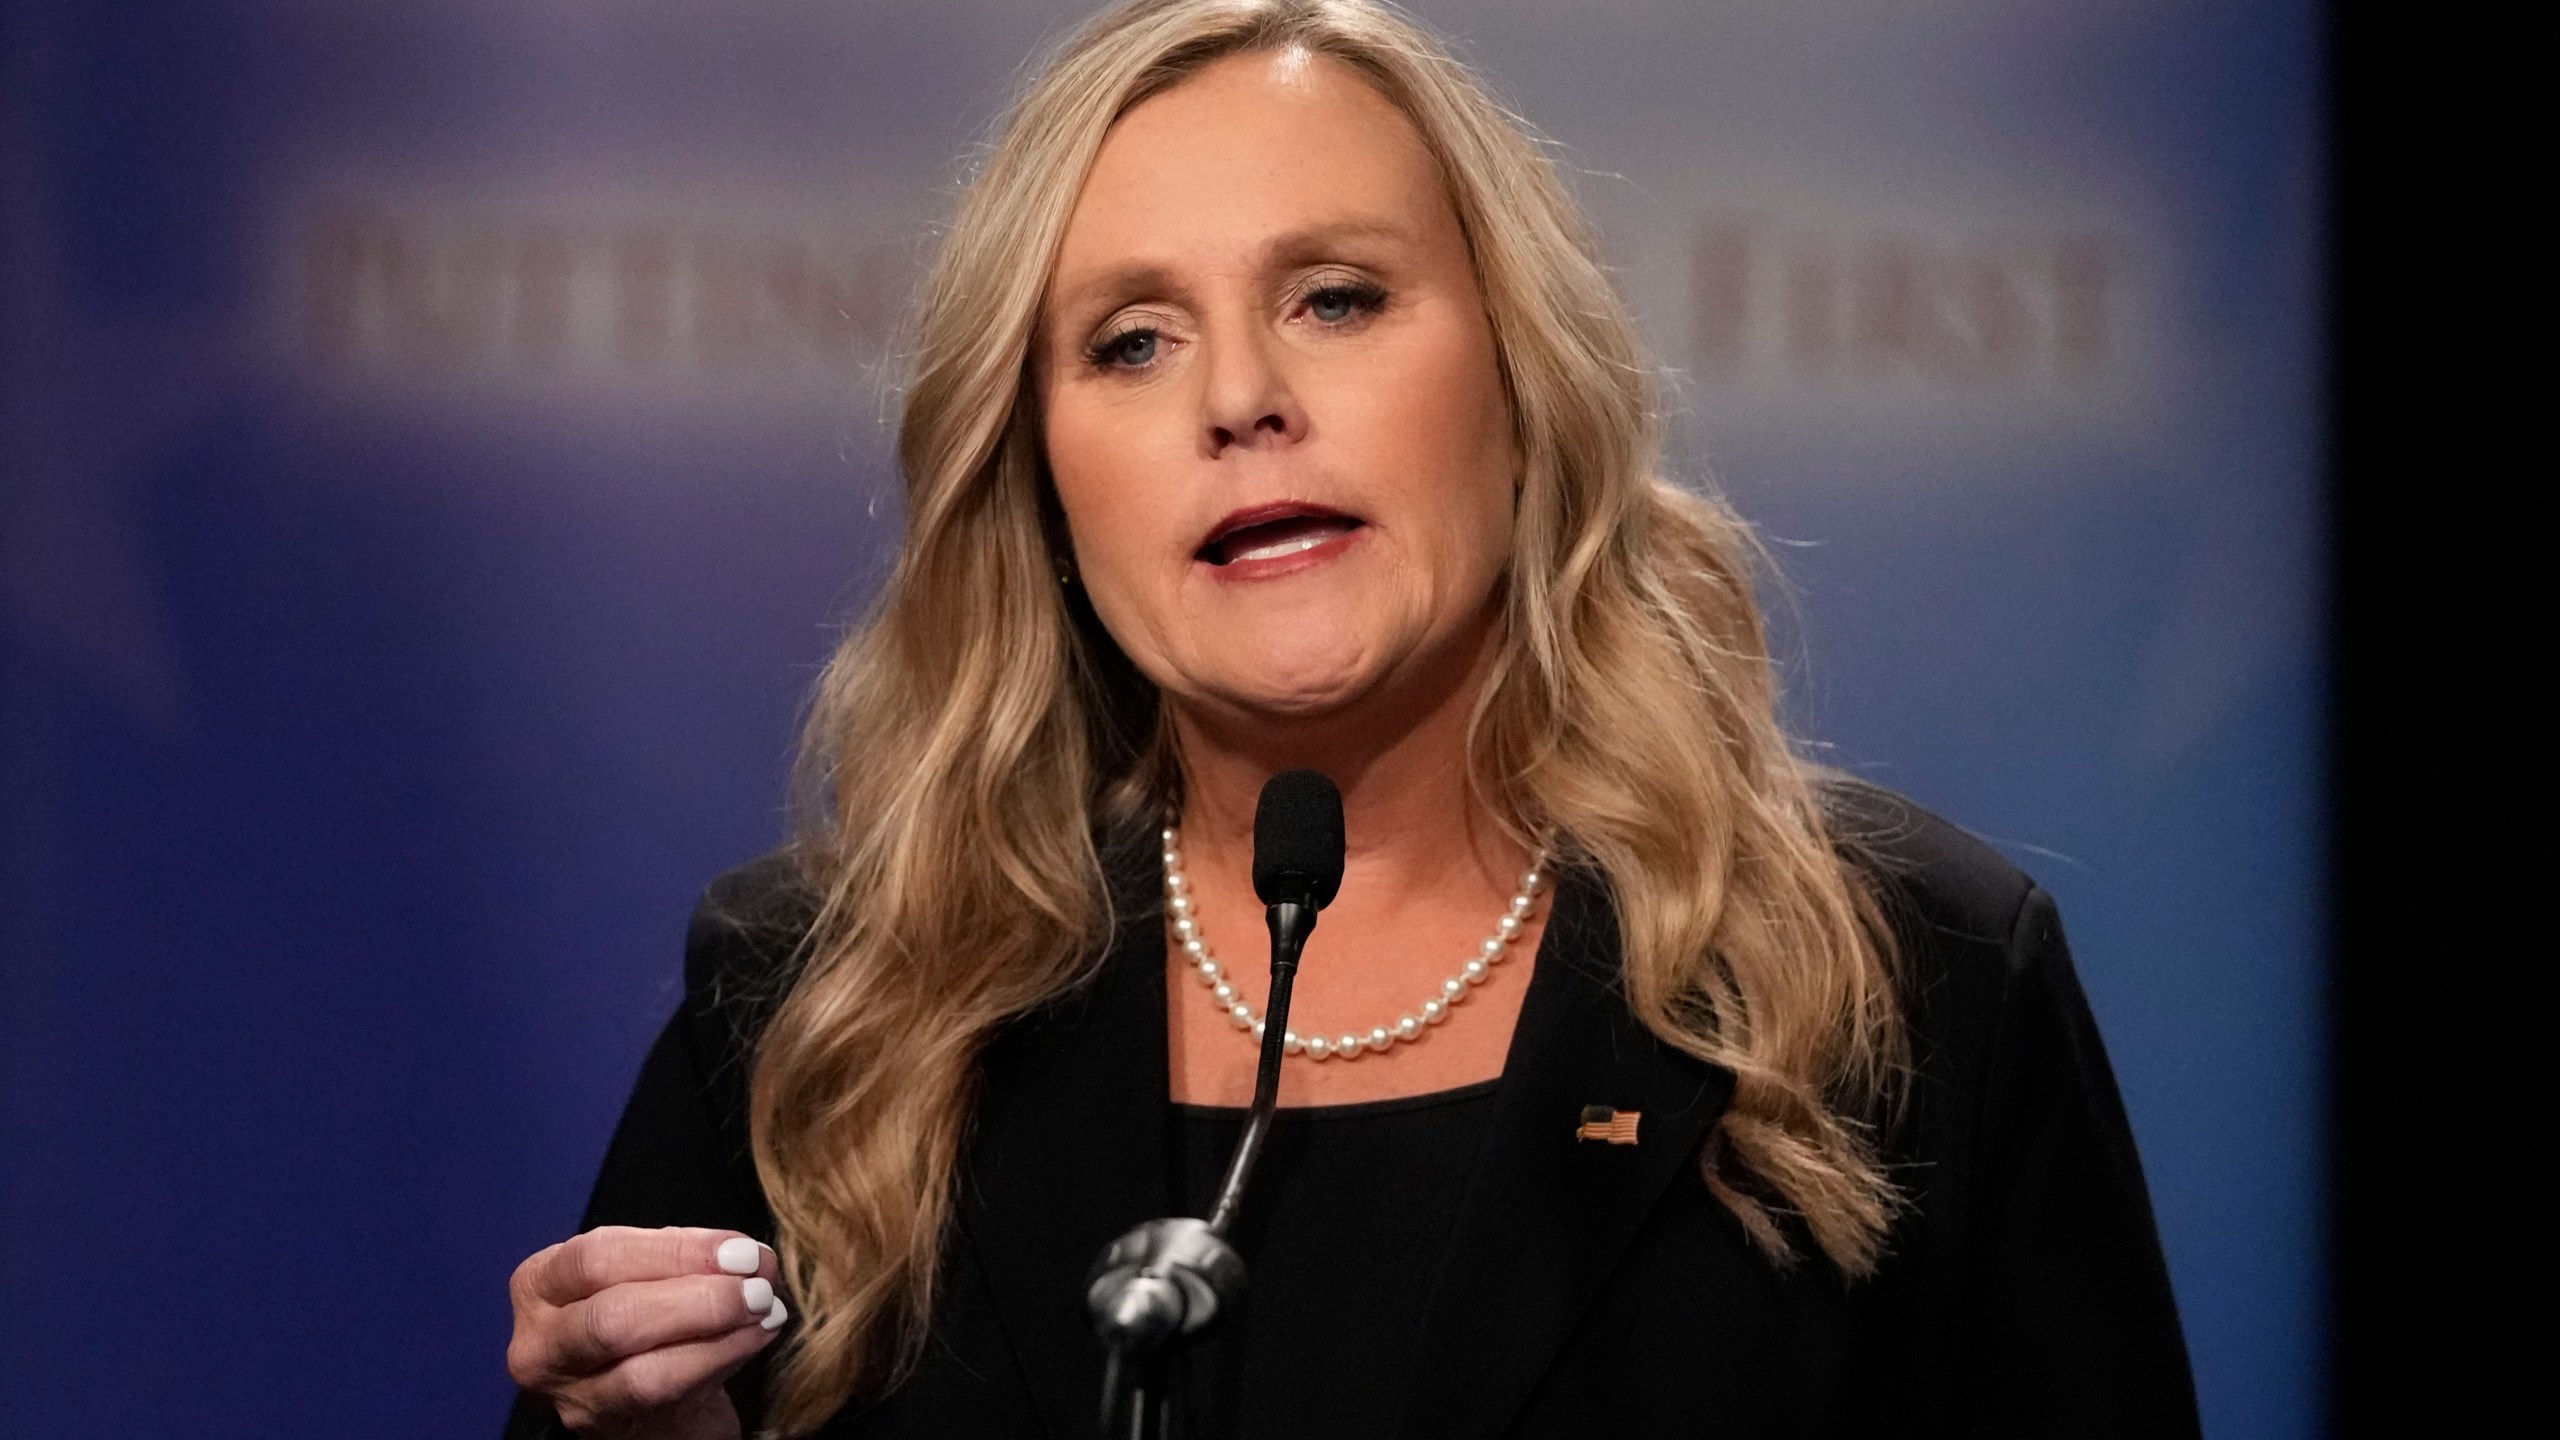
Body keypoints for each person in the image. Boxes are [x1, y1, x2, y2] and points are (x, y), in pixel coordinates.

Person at [503, 2, 2199, 1436]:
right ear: (1038, 485)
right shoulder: (822, 1009)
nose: (1243, 400)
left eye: (1336, 298)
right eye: (1132, 342)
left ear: (1522, 392)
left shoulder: (1911, 982)